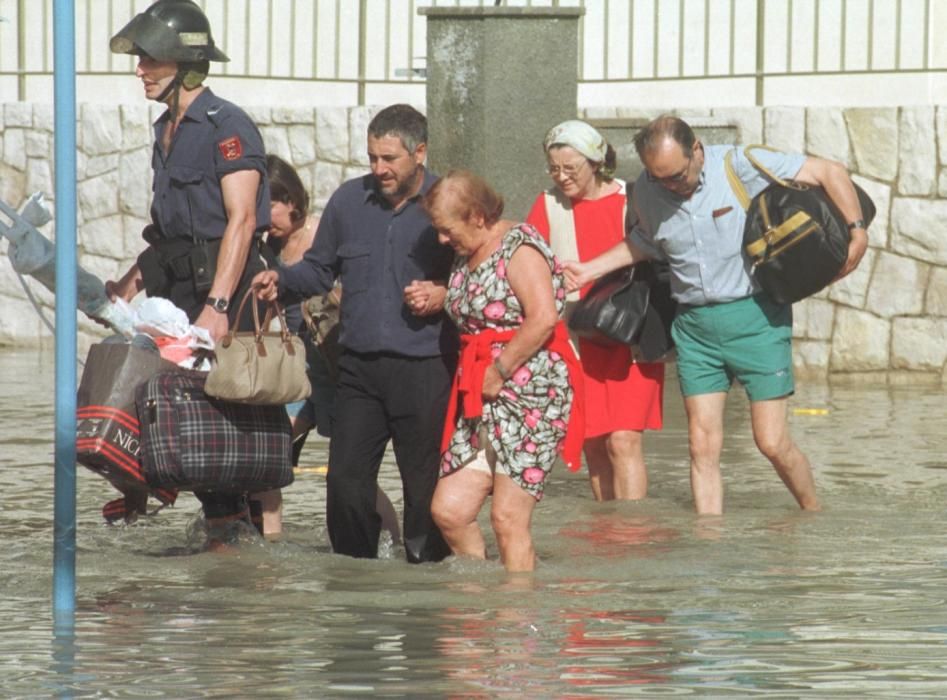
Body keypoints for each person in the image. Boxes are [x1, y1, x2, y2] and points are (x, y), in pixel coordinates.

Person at [565, 115, 869, 516]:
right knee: (701, 446)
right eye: (660, 179)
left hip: (757, 320)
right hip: (694, 328)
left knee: (771, 442)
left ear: (697, 150)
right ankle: (710, 543)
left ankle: (814, 514)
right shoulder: (649, 192)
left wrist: (857, 231)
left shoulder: (740, 164)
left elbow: (829, 171)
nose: (671, 186)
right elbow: (644, 241)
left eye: (677, 175)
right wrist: (590, 269)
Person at [252, 104, 455, 563]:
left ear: (419, 153)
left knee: (422, 486)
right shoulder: (348, 201)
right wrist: (281, 281)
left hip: (424, 369)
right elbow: (320, 271)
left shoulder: (446, 201)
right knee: (344, 481)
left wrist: (445, 293)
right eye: (372, 158)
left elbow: (478, 268)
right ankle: (355, 575)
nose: (379, 169)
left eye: (390, 159)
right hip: (357, 368)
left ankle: (425, 583)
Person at [106, 0, 271, 543]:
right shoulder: (165, 131)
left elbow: (242, 221)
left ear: (185, 64)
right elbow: (166, 234)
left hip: (215, 296)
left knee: (216, 429)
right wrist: (125, 291)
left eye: (151, 60)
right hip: (176, 293)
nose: (140, 70)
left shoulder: (228, 127)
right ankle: (214, 533)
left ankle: (237, 555)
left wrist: (219, 308)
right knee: (169, 417)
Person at [424, 170, 584, 572]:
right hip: (481, 393)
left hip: (530, 393)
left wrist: (499, 369)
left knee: (508, 519)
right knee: (450, 511)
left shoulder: (520, 247)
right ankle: (481, 604)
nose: (442, 240)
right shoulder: (467, 252)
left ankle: (517, 618)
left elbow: (544, 317)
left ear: (477, 215)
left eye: (447, 229)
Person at [252, 155, 399, 543]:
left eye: (269, 205)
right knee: (270, 455)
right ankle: (272, 540)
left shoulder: (321, 235)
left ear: (291, 200)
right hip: (291, 373)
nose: (264, 216)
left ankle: (394, 536)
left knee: (349, 471)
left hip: (329, 366)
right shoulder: (268, 247)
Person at [526, 119, 665, 502]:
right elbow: (528, 263)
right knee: (593, 444)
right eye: (554, 168)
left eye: (571, 168)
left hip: (629, 335)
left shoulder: (633, 198)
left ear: (596, 161)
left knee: (623, 440)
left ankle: (632, 534)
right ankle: (607, 535)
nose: (562, 176)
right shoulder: (548, 204)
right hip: (575, 340)